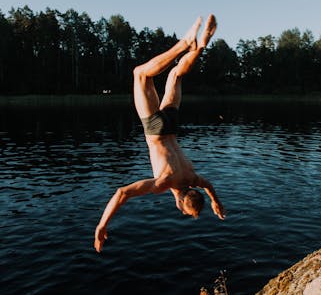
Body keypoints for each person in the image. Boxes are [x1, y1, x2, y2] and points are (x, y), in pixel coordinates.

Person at [94, 14, 226, 253]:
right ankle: (185, 44)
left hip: (172, 124)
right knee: (140, 74)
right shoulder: (165, 183)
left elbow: (209, 186)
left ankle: (199, 49)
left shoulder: (194, 178)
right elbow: (122, 193)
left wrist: (216, 202)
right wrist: (102, 226)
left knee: (175, 75)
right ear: (179, 204)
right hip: (155, 130)